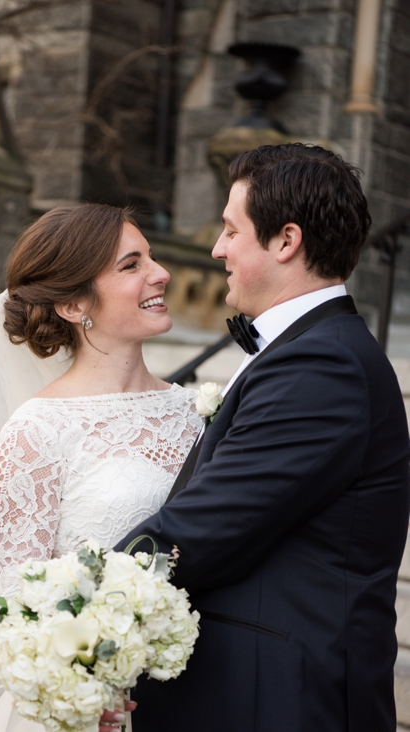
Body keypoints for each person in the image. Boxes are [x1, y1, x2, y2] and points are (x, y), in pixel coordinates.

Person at [116, 143, 410, 731]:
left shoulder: (322, 366)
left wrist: (70, 605)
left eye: (231, 230)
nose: (217, 248)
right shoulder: (310, 351)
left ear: (285, 241)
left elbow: (207, 528)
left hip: (281, 697)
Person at [0, 203, 202, 732]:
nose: (160, 273)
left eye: (151, 257)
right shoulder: (36, 433)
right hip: (95, 709)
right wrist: (86, 688)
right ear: (72, 304)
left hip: (199, 688)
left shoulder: (194, 411)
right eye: (131, 265)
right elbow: (21, 608)